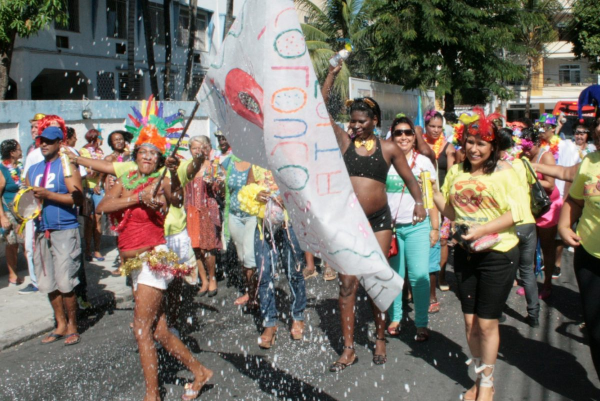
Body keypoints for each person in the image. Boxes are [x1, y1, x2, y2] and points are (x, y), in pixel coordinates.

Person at [323, 63, 428, 370]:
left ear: (373, 121)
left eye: (360, 122)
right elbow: (319, 109)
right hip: (348, 222)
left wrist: (420, 202)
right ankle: (348, 348)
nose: (354, 126)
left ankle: (380, 338)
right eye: (351, 121)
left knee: (376, 280)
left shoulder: (389, 148)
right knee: (346, 284)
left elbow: (410, 179)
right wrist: (330, 74)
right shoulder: (344, 142)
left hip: (380, 221)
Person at [96, 124, 212, 401]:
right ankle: (200, 372)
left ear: (159, 160)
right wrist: (136, 197)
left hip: (152, 260)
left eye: (153, 153)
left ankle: (152, 396)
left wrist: (160, 191)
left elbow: (174, 200)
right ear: (134, 156)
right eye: (143, 152)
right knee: (158, 330)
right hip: (132, 263)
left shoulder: (162, 182)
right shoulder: (127, 182)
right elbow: (102, 207)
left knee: (141, 329)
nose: (147, 157)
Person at [433, 108, 522, 401]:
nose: (474, 148)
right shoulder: (457, 172)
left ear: (493, 146)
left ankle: (486, 385)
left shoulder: (506, 171)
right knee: (470, 324)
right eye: (469, 141)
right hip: (466, 252)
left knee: (486, 323)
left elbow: (518, 213)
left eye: (481, 143)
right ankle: (480, 378)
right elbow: (450, 210)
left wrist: (482, 231)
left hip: (498, 253)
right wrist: (430, 190)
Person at [26, 127, 84, 346]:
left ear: (59, 143)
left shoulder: (67, 166)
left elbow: (78, 199)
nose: (43, 144)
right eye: (41, 141)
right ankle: (59, 324)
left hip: (64, 229)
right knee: (47, 281)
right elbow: (26, 199)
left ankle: (72, 325)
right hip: (41, 229)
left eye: (49, 141)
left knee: (65, 281)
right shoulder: (33, 169)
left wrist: (49, 195)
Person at [385, 115, 437, 341]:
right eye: (399, 133)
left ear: (415, 138)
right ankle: (395, 318)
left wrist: (435, 227)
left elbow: (431, 197)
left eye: (408, 133)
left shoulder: (423, 163)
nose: (404, 137)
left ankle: (421, 323)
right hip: (392, 229)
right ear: (391, 135)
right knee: (395, 276)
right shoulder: (384, 160)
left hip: (417, 227)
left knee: (419, 276)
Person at [558, 116, 600, 380]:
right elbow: (574, 199)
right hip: (589, 258)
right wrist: (563, 225)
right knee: (596, 331)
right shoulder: (589, 162)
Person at [251, 167, 307, 348]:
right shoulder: (254, 163)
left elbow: (304, 187)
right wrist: (256, 194)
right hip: (264, 225)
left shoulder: (288, 158)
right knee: (263, 273)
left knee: (294, 271)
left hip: (289, 224)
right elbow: (248, 190)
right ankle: (269, 322)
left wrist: (289, 197)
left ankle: (297, 316)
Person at [498, 128, 540, 327]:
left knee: (504, 271)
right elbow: (532, 185)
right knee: (527, 272)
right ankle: (534, 316)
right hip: (529, 222)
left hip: (510, 223)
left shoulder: (496, 167)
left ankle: (497, 311)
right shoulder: (522, 163)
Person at [520, 127, 559, 300]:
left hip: (547, 207)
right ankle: (531, 283)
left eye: (528, 146)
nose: (525, 149)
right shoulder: (522, 156)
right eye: (523, 145)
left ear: (536, 142)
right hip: (530, 207)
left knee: (546, 248)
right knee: (530, 248)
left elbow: (550, 184)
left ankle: (548, 284)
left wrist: (529, 179)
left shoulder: (546, 156)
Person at [186, 135, 223, 297]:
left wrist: (216, 184)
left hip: (208, 209)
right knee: (196, 247)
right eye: (194, 148)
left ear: (207, 149)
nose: (198, 151)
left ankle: (212, 277)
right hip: (191, 210)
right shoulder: (186, 167)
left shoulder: (213, 167)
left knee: (209, 247)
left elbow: (220, 192)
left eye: (201, 147)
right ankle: (204, 280)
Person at [424, 110, 456, 293]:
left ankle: (441, 275)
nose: (435, 130)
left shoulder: (448, 147)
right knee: (425, 237)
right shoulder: (418, 145)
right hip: (423, 198)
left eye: (439, 127)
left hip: (441, 199)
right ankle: (425, 276)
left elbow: (451, 176)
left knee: (443, 239)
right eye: (432, 126)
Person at [221, 151, 258, 308]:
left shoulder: (256, 161)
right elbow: (225, 190)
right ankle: (249, 291)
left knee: (250, 257)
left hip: (252, 216)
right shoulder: (228, 163)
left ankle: (255, 294)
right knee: (242, 258)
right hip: (234, 216)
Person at [102, 130, 133, 275]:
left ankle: (132, 261)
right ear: (111, 143)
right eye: (116, 140)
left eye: (121, 139)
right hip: (115, 197)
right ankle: (122, 263)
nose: (119, 142)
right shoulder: (109, 159)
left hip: (129, 195)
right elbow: (102, 174)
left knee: (130, 229)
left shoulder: (132, 156)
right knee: (119, 232)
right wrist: (100, 186)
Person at [0, 139, 24, 286]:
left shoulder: (20, 167)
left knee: (27, 243)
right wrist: (2, 217)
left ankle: (35, 276)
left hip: (24, 210)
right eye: (19, 149)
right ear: (12, 153)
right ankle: (12, 274)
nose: (21, 152)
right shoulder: (2, 170)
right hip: (8, 210)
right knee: (12, 243)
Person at [79, 129, 105, 262]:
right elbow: (83, 168)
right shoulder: (83, 151)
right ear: (95, 138)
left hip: (98, 188)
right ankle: (87, 249)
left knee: (98, 219)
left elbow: (102, 168)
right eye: (100, 138)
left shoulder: (100, 152)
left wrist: (98, 182)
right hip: (87, 188)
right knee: (89, 221)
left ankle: (97, 250)